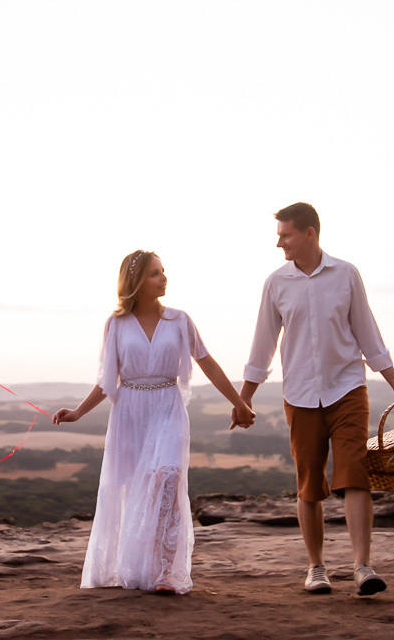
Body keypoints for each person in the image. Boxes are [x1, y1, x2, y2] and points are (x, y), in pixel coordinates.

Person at [233, 202, 394, 596]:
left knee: (355, 471)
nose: (279, 243)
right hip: (300, 395)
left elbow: (368, 334)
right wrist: (244, 399)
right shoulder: (276, 283)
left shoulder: (346, 274)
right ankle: (316, 568)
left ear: (309, 233)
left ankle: (362, 567)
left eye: (285, 235)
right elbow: (262, 345)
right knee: (308, 482)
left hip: (347, 389)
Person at [54, 250, 256, 595]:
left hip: (167, 407)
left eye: (163, 271)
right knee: (133, 487)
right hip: (129, 412)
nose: (163, 278)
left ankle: (164, 571)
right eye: (154, 273)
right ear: (135, 282)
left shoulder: (180, 320)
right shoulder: (116, 324)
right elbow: (108, 380)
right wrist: (78, 412)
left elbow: (208, 364)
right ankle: (132, 565)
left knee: (167, 480)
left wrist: (240, 403)